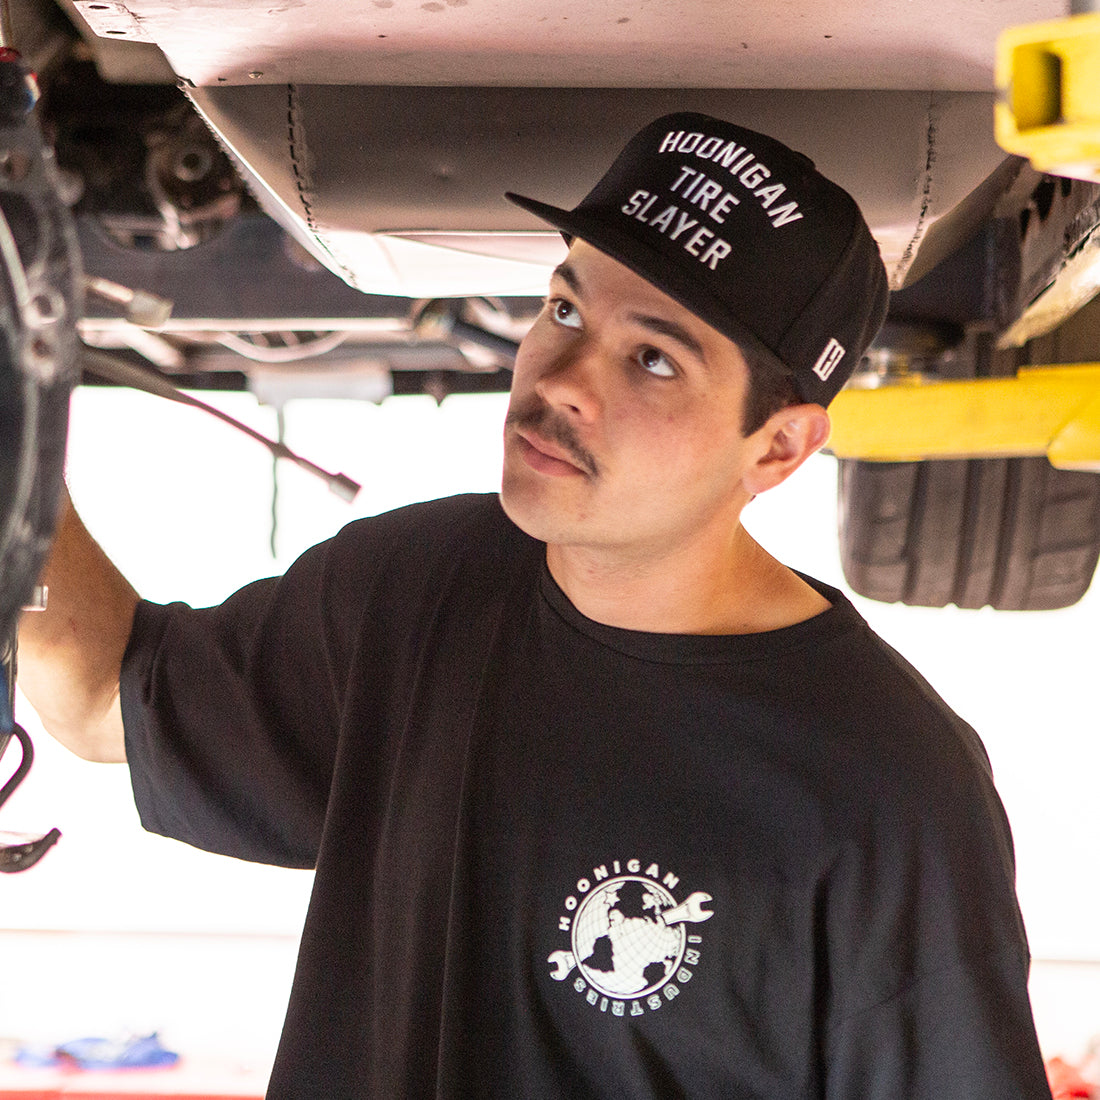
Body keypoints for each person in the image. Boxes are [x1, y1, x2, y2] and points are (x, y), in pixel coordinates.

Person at [17, 112, 1053, 1098]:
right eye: (564, 308)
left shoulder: (888, 790)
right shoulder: (418, 587)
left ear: (775, 446)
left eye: (651, 357)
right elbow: (110, 693)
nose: (559, 378)